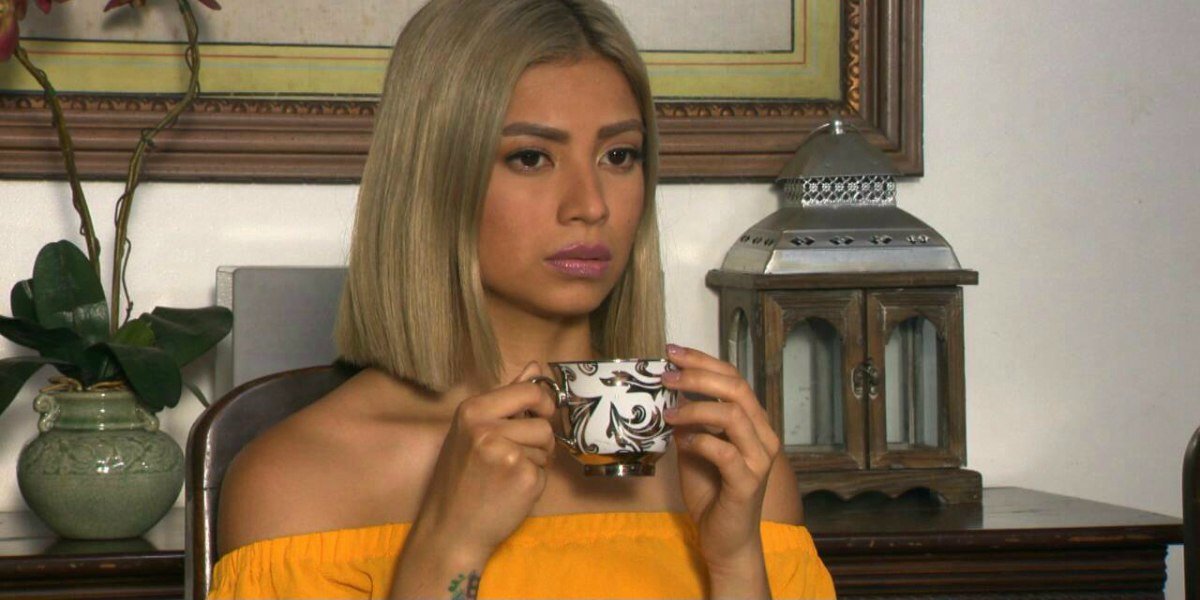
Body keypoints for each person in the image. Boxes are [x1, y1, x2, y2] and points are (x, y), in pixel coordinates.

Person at [210, 0, 835, 598]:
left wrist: (735, 562)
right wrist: (449, 547)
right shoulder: (297, 481)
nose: (590, 205)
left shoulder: (725, 465)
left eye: (619, 155)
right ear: (433, 180)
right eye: (531, 157)